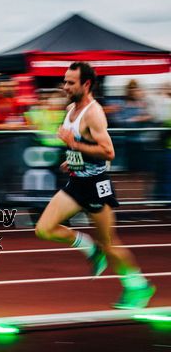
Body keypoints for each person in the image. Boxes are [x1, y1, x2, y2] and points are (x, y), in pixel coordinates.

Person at [35, 62, 155, 309]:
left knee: (110, 244)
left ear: (86, 84)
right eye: (65, 81)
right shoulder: (70, 109)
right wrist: (71, 160)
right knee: (44, 229)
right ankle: (90, 249)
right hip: (77, 181)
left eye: (70, 82)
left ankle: (138, 285)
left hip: (96, 186)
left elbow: (108, 151)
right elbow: (77, 144)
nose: (65, 86)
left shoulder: (94, 112)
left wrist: (75, 146)